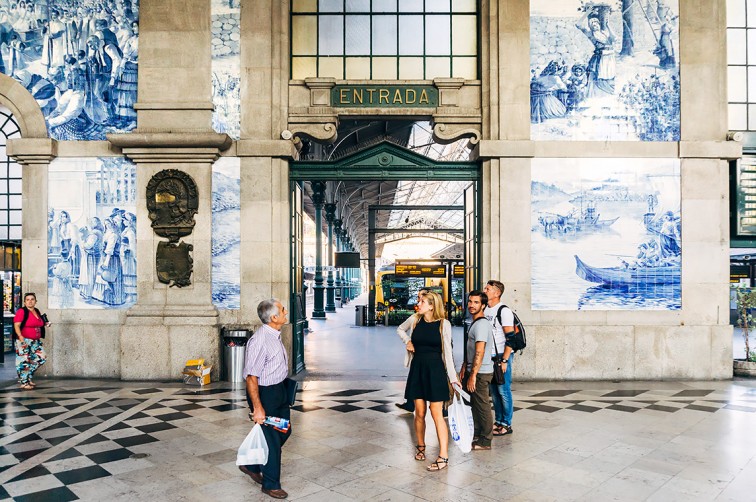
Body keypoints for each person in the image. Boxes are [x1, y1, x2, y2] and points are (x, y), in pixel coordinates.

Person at [397, 290, 461, 472]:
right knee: (419, 412)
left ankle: (443, 456)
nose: (419, 303)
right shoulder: (415, 319)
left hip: (436, 371)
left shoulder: (443, 324)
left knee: (437, 414)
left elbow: (447, 353)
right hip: (417, 369)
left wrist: (453, 379)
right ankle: (421, 446)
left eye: (423, 301)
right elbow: (400, 329)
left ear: (432, 305)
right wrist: (407, 341)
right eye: (419, 300)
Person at [238, 299, 291, 499]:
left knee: (285, 429)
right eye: (283, 310)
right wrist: (258, 407)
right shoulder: (260, 340)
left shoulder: (274, 335)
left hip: (278, 390)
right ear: (274, 317)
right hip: (264, 394)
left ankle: (251, 464)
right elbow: (252, 377)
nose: (286, 311)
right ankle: (270, 484)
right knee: (272, 440)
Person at [459, 290, 495, 450]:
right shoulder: (475, 322)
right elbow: (472, 349)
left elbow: (480, 351)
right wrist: (464, 366)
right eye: (470, 302)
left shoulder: (481, 324)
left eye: (476, 302)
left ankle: (485, 440)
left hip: (481, 373)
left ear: (483, 305)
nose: (472, 305)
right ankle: (478, 434)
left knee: (482, 405)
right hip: (474, 371)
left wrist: (473, 375)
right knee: (476, 405)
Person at [483, 280, 515, 437]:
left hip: (502, 356)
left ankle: (507, 424)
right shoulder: (486, 310)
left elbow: (511, 338)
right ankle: (499, 420)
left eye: (488, 289)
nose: (485, 290)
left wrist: (505, 360)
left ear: (497, 293)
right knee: (494, 391)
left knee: (503, 390)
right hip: (491, 356)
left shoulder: (504, 311)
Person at [13, 293, 51, 390]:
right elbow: (17, 325)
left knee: (41, 357)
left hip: (35, 341)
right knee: (24, 361)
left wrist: (46, 323)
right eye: (28, 299)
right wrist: (20, 337)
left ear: (35, 301)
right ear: (25, 302)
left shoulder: (36, 311)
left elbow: (39, 322)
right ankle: (24, 382)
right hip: (24, 340)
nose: (30, 301)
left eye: (32, 299)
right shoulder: (22, 311)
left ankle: (27, 377)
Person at [576, 8, 617, 98]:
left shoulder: (604, 33)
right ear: (590, 26)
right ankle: (596, 95)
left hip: (610, 57)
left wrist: (608, 25)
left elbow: (614, 39)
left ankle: (608, 96)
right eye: (592, 24)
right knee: (599, 77)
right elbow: (578, 24)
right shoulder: (590, 34)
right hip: (601, 58)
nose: (595, 25)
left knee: (610, 77)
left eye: (596, 23)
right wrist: (587, 12)